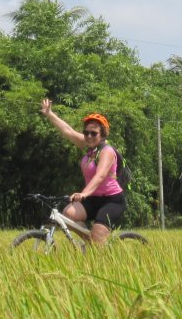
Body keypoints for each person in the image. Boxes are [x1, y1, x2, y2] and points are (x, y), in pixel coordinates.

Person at [40, 99, 126, 245]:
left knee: (98, 235)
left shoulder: (107, 151)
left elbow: (100, 176)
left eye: (94, 133)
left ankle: (101, 253)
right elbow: (68, 131)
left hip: (111, 200)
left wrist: (84, 193)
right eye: (86, 133)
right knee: (69, 213)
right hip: (93, 199)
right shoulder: (89, 148)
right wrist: (50, 114)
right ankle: (90, 245)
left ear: (103, 135)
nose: (89, 136)